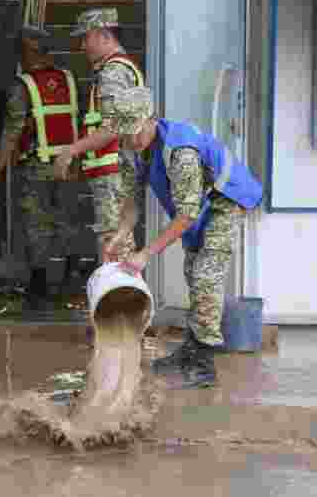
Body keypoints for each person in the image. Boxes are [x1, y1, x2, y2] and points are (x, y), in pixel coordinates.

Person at [101, 86, 263, 389]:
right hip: (199, 203)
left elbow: (186, 214)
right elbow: (131, 202)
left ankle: (204, 364)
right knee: (193, 272)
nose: (129, 141)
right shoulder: (131, 149)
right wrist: (120, 235)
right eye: (123, 135)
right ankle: (192, 347)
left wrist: (146, 254)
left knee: (205, 277)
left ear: (150, 120)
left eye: (134, 133)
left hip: (228, 199)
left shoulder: (181, 152)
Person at [0, 25, 80, 310]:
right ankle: (69, 282)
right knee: (66, 223)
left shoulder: (22, 85)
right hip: (69, 165)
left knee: (36, 225)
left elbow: (11, 132)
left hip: (36, 166)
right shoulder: (70, 80)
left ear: (29, 52)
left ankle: (39, 287)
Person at [51, 8, 146, 267]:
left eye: (86, 38)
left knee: (115, 248)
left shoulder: (113, 72)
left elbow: (112, 128)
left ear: (104, 36)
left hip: (114, 174)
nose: (82, 46)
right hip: (115, 172)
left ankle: (121, 304)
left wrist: (72, 151)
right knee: (116, 243)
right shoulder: (118, 68)